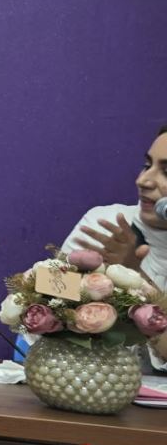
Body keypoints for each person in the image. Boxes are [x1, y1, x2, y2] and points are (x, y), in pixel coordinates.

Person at [59, 124, 167, 369]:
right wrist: (98, 279)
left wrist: (134, 277)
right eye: (147, 165)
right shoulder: (105, 223)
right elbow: (44, 289)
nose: (143, 180)